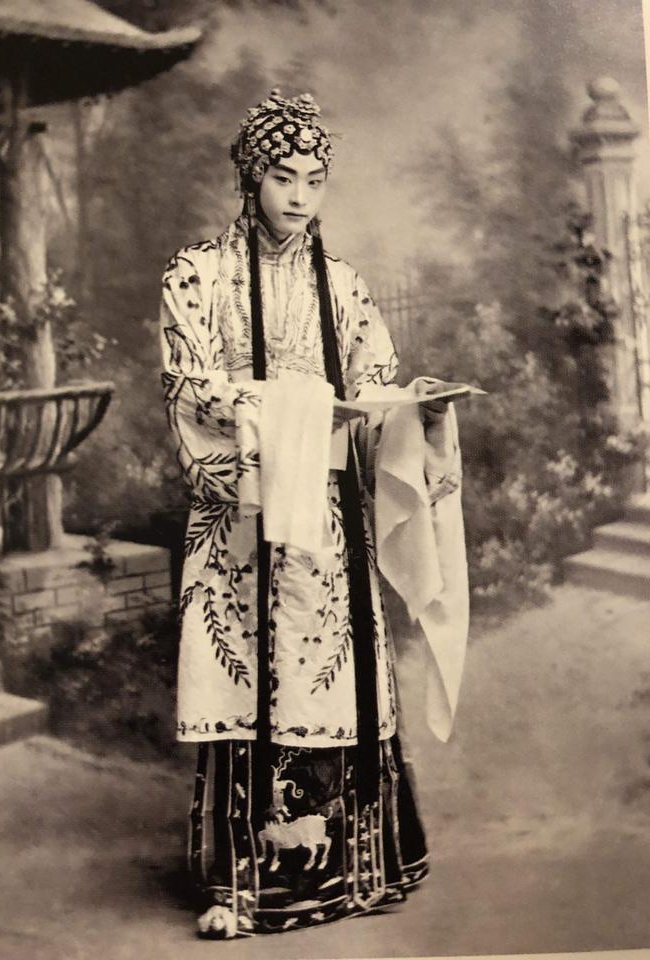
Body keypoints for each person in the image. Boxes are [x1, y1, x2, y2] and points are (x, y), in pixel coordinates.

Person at [159, 89, 465, 938]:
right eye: (283, 176)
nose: (299, 195)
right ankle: (240, 886)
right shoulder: (198, 275)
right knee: (249, 676)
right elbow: (190, 388)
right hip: (247, 516)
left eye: (314, 179)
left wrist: (418, 410)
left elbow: (372, 392)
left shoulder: (345, 286)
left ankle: (358, 872)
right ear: (251, 176)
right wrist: (287, 409)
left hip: (329, 524)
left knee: (334, 675)